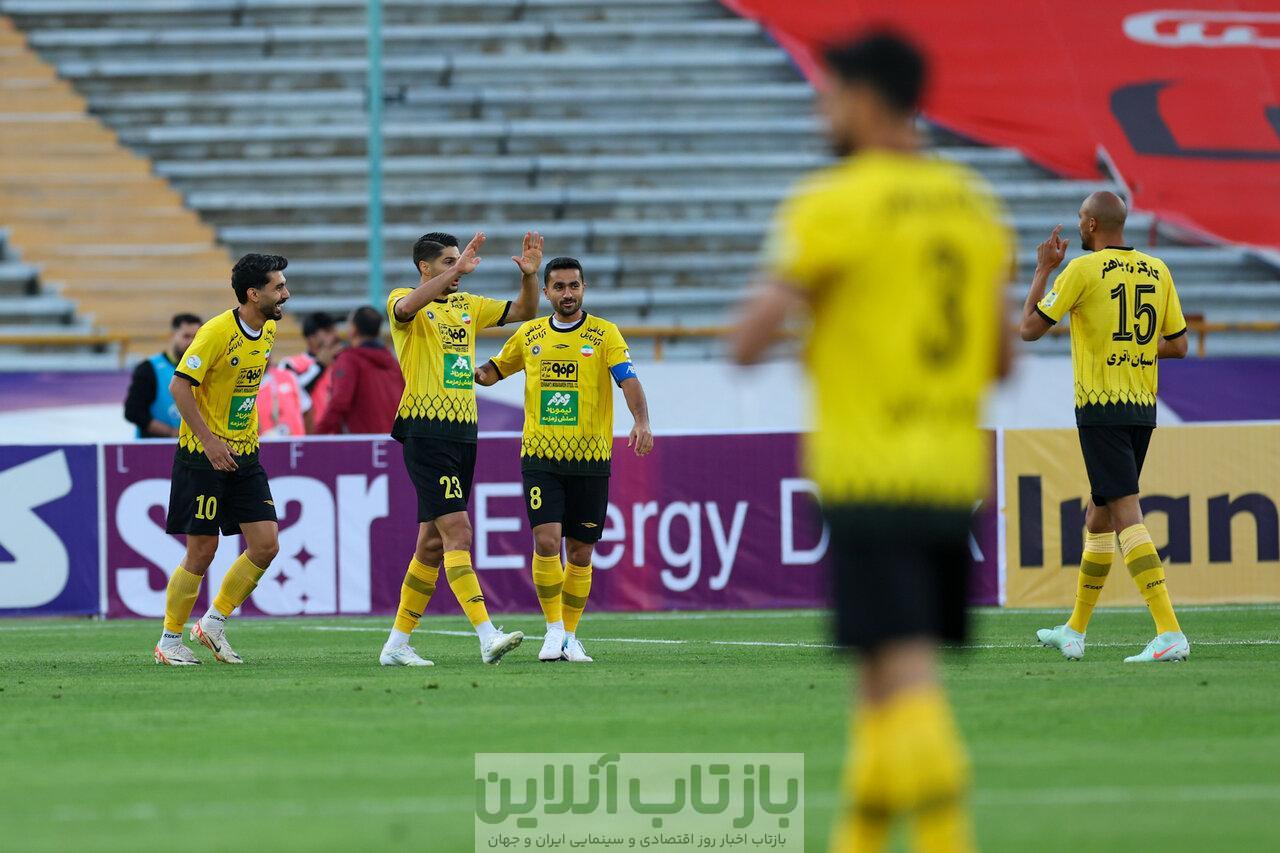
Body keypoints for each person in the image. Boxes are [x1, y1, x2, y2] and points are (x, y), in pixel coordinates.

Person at [729, 33, 1013, 853]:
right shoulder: (971, 201)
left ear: (863, 99)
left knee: (904, 671)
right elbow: (1000, 357)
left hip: (868, 469)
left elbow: (748, 342)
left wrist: (820, 318)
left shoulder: (835, 201)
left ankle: (948, 831)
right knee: (878, 679)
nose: (821, 112)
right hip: (951, 470)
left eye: (828, 96)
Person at [1020, 192, 1190, 663]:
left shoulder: (1081, 270)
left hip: (1101, 407)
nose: (1078, 224)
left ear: (1092, 224)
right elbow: (1178, 345)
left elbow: (1029, 328)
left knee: (1125, 514)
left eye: (1080, 218)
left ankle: (1169, 630)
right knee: (1098, 516)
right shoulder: (1157, 270)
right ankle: (1074, 630)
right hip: (1142, 407)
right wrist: (1133, 350)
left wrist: (1043, 270)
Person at [475, 256, 653, 663]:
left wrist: (642, 421)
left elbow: (628, 379)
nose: (567, 293)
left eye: (574, 285)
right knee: (546, 540)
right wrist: (462, 368)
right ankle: (553, 629)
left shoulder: (605, 334)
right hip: (541, 456)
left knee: (581, 552)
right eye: (559, 286)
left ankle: (570, 636)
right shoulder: (530, 334)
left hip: (590, 458)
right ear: (546, 292)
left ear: (583, 288)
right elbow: (493, 371)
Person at [379, 230, 543, 667]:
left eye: (460, 260)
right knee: (459, 532)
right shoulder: (404, 301)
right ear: (425, 267)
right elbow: (405, 309)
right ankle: (487, 635)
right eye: (449, 261)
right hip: (425, 430)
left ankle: (396, 645)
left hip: (464, 433)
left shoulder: (466, 306)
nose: (460, 268)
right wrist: (457, 270)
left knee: (431, 545)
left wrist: (530, 276)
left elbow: (525, 311)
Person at [154, 254, 291, 666]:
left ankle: (212, 623)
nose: (286, 293)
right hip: (204, 457)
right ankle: (169, 641)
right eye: (278, 287)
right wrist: (211, 442)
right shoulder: (216, 332)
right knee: (202, 551)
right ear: (254, 294)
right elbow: (180, 387)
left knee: (266, 545)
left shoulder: (268, 329)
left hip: (245, 455)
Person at [316, 305, 405, 435]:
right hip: (393, 441)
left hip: (361, 442)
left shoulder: (349, 360)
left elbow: (339, 402)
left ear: (353, 329)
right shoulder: (394, 363)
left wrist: (317, 435)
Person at [123, 313, 201, 438]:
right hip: (155, 446)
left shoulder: (206, 370)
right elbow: (133, 412)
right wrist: (172, 432)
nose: (191, 342)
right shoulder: (148, 368)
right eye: (186, 336)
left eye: (196, 337)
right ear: (172, 336)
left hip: (193, 445)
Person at [284, 311, 342, 423]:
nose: (335, 335)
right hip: (308, 432)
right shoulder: (291, 364)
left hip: (337, 432)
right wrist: (319, 366)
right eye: (328, 331)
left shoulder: (342, 364)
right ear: (311, 338)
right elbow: (293, 392)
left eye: (335, 330)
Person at [258, 356, 312, 437]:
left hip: (296, 443)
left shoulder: (288, 376)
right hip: (262, 443)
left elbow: (307, 411)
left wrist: (309, 443)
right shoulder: (241, 387)